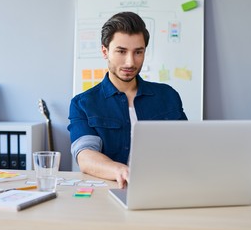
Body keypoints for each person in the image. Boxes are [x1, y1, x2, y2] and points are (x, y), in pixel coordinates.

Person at [68, 12, 187, 188]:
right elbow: (86, 156)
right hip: (111, 192)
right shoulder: (83, 103)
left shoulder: (168, 96)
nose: (130, 62)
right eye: (121, 51)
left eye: (138, 52)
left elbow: (185, 147)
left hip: (164, 188)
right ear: (105, 51)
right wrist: (120, 171)